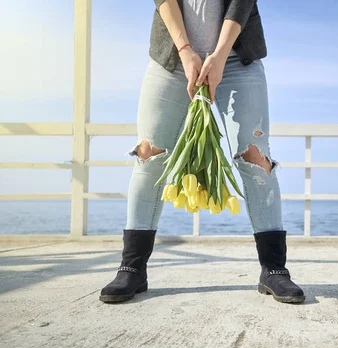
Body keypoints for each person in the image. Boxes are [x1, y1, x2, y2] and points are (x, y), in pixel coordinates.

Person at [99, 0, 304, 305]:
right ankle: (132, 267)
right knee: (149, 155)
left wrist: (219, 56)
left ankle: (274, 269)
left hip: (236, 60)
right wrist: (185, 50)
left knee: (256, 160)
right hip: (172, 59)